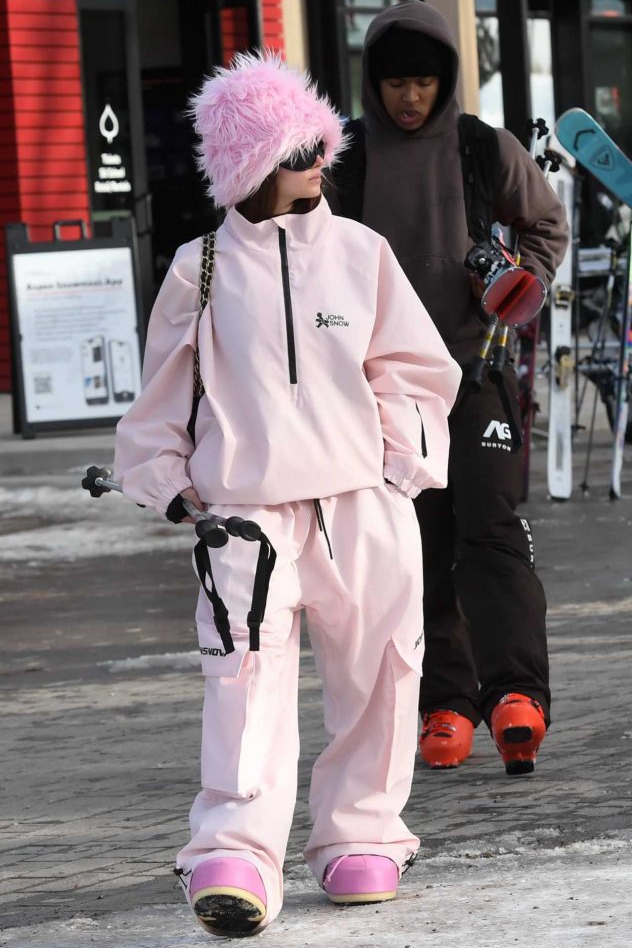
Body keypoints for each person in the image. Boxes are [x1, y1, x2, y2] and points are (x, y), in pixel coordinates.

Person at [113, 51, 461, 937]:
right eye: (297, 147)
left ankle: (362, 834)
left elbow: (417, 370)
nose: (317, 160)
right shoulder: (197, 269)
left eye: (319, 143)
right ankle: (235, 850)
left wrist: (397, 469)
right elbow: (160, 399)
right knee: (243, 683)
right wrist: (175, 493)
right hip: (246, 520)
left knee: (381, 672)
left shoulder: (359, 252)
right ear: (249, 163)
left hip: (361, 507)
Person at [329, 0, 569, 776]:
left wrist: (519, 284)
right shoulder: (350, 158)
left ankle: (515, 696)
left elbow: (546, 225)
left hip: (477, 368)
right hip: (388, 388)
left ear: (446, 82)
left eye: (424, 83)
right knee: (416, 545)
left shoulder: (480, 147)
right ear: (375, 83)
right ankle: (445, 704)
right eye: (396, 82)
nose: (409, 98)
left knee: (491, 528)